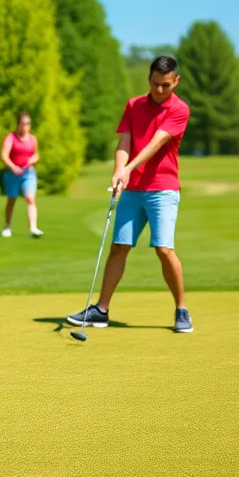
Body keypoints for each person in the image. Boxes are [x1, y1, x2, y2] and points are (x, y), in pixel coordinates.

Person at [66, 55, 194, 333]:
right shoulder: (134, 105)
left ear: (176, 81)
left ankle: (181, 309)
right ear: (148, 79)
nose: (160, 90)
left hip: (163, 190)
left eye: (166, 85)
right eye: (155, 84)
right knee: (119, 247)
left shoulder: (180, 109)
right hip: (133, 190)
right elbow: (125, 141)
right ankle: (101, 310)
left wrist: (129, 168)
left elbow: (156, 143)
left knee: (163, 249)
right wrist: (118, 170)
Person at [0, 112, 43, 238]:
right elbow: (4, 155)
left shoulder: (32, 139)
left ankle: (33, 228)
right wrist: (13, 167)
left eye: (28, 124)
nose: (26, 126)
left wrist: (33, 159)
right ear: (18, 124)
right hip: (12, 174)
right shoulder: (11, 138)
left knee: (30, 198)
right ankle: (7, 226)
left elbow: (36, 154)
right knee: (11, 200)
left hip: (28, 173)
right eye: (23, 123)